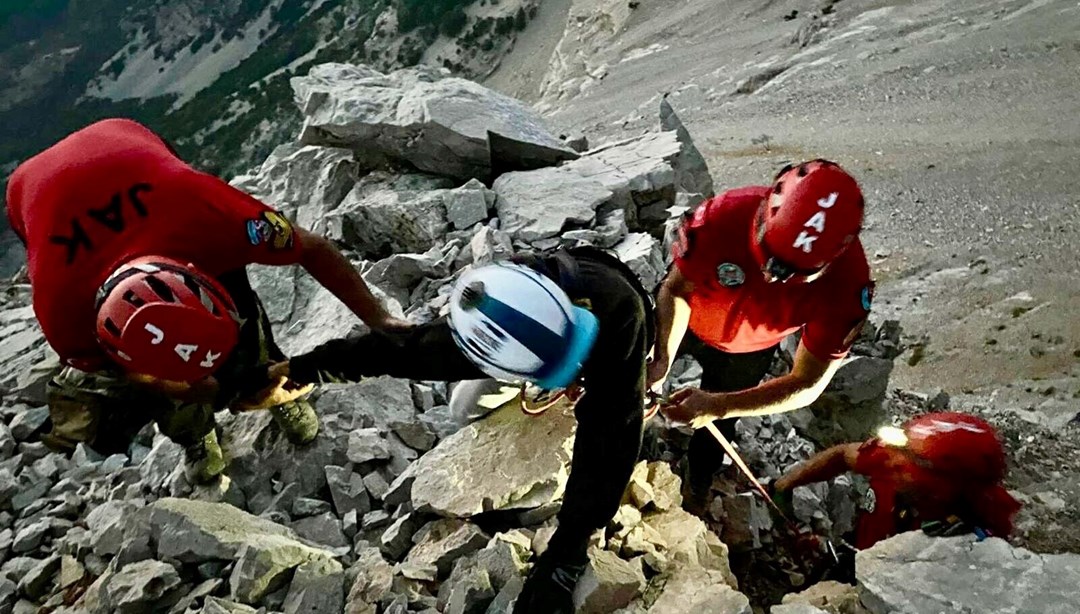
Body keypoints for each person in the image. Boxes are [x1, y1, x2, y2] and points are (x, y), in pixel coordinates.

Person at [248, 247, 654, 614]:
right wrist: (305, 368)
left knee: (612, 406)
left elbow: (611, 433)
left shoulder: (621, 312)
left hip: (614, 328)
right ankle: (535, 386)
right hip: (532, 346)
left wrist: (569, 547)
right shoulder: (485, 326)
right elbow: (398, 350)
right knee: (465, 407)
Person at [4, 118, 407, 482]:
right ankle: (193, 434)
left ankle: (274, 388)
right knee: (162, 385)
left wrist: (380, 319)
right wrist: (182, 387)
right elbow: (124, 371)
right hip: (29, 189)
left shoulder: (211, 215)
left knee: (246, 324)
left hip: (126, 140)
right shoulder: (63, 313)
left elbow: (313, 248)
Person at [648, 159, 874, 512]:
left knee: (716, 431)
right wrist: (661, 358)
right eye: (768, 256)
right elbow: (675, 290)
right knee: (638, 379)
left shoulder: (847, 288)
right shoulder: (721, 217)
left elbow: (807, 382)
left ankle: (698, 484)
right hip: (690, 319)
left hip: (748, 350)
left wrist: (719, 406)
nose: (770, 277)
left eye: (789, 273)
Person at [772, 411, 1021, 550]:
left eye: (909, 465)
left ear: (945, 487)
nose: (890, 463)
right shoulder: (897, 458)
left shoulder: (971, 544)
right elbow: (842, 456)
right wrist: (785, 485)